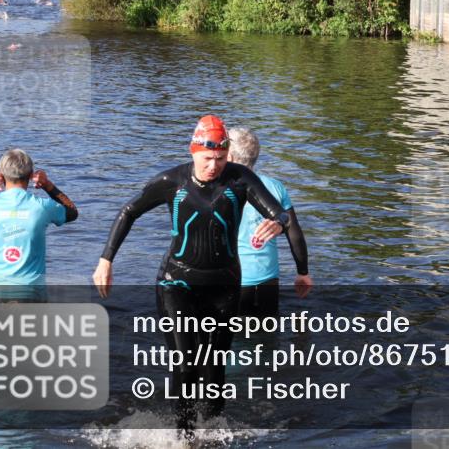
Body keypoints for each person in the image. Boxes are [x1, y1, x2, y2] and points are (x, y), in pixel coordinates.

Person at [92, 115, 309, 432]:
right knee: (186, 362)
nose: (214, 166)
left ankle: (212, 428)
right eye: (208, 159)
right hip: (177, 284)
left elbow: (279, 213)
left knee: (214, 366)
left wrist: (276, 223)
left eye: (221, 159)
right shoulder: (173, 182)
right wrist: (106, 260)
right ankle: (183, 433)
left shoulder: (240, 178)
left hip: (224, 286)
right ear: (193, 151)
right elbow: (129, 211)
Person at [0, 149, 78, 287]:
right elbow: (72, 212)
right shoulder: (42, 207)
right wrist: (48, 185)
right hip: (31, 290)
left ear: (0, 175)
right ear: (30, 175)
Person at [227, 127, 313, 318]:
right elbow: (294, 231)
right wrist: (303, 272)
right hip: (269, 282)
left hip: (234, 283)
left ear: (230, 157)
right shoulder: (275, 186)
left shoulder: (223, 190)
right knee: (267, 337)